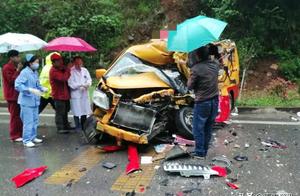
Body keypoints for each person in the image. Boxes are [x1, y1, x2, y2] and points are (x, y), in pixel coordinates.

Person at [187, 45, 219, 159]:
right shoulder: (215, 64)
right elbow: (216, 60)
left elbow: (190, 86)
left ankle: (200, 153)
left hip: (202, 102)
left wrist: (189, 75)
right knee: (208, 126)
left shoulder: (196, 69)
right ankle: (204, 150)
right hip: (215, 100)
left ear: (197, 55)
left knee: (198, 128)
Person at [15, 54, 46, 147]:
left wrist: (42, 88)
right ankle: (26, 140)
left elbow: (37, 84)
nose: (37, 64)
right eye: (36, 62)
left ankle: (33, 137)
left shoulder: (35, 72)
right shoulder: (24, 72)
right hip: (26, 101)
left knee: (35, 120)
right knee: (28, 122)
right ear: (30, 63)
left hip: (35, 100)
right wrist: (29, 89)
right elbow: (18, 85)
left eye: (38, 62)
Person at [2, 50, 23, 142]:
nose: (19, 58)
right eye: (17, 56)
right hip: (12, 95)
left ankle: (21, 133)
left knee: (20, 115)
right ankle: (14, 135)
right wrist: (18, 71)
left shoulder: (16, 66)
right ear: (11, 58)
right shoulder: (7, 67)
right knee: (14, 116)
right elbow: (11, 81)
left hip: (19, 94)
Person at [49, 53, 73, 134]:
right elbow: (63, 78)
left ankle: (66, 125)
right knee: (60, 112)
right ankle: (60, 127)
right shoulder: (53, 71)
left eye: (61, 60)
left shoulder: (60, 68)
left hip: (65, 94)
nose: (61, 62)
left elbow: (66, 73)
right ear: (54, 62)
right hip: (58, 95)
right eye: (58, 61)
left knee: (65, 110)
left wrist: (67, 67)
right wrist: (68, 69)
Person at [68, 56, 92, 131]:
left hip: (84, 93)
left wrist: (87, 84)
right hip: (76, 94)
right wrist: (80, 85)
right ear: (74, 63)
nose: (79, 64)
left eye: (80, 62)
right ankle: (77, 126)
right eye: (77, 62)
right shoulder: (71, 71)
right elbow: (70, 83)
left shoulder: (85, 70)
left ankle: (83, 125)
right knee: (77, 111)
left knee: (84, 110)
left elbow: (89, 80)